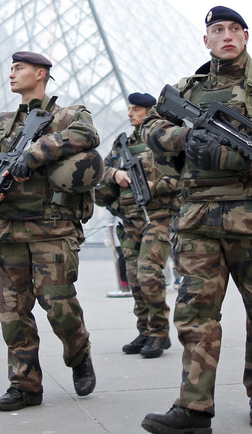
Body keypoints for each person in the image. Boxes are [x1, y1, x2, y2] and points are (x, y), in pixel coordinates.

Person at [140, 6, 252, 431]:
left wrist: (222, 153)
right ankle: (194, 408)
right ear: (206, 39)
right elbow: (151, 129)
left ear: (245, 36)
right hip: (197, 217)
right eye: (217, 30)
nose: (226, 35)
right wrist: (187, 137)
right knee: (194, 313)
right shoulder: (186, 89)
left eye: (233, 29)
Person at [0, 51, 98, 411]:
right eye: (11, 68)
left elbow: (87, 135)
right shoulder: (2, 123)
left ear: (41, 74)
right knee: (13, 314)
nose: (11, 74)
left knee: (60, 307)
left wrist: (36, 153)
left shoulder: (69, 114)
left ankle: (79, 354)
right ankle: (25, 384)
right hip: (8, 231)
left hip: (52, 228)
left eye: (19, 68)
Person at [97, 92, 182, 358]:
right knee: (134, 278)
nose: (130, 113)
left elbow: (185, 178)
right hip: (129, 219)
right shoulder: (123, 144)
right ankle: (145, 331)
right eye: (130, 109)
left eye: (136, 109)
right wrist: (116, 173)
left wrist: (155, 186)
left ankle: (159, 333)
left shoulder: (165, 140)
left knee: (148, 275)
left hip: (157, 219)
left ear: (150, 112)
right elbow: (100, 170)